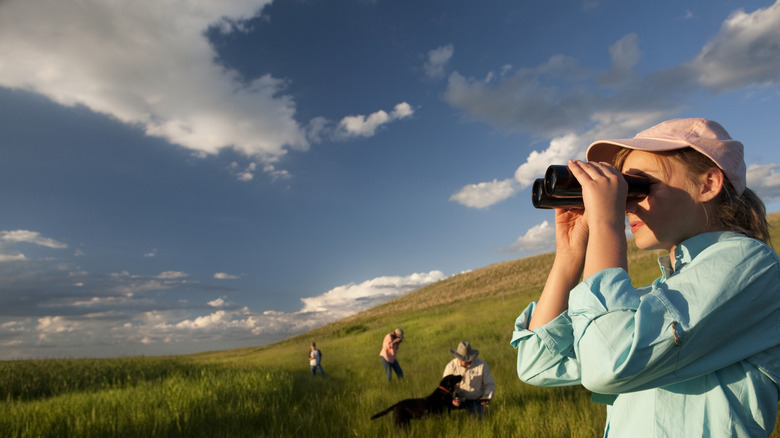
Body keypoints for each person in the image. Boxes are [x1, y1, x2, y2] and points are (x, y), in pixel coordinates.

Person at [510, 118, 780, 437]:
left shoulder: (749, 264)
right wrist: (569, 256)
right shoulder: (654, 299)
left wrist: (605, 224)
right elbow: (538, 363)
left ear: (708, 184)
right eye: (623, 191)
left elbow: (609, 363)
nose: (626, 205)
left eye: (637, 187)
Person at [443, 341, 495, 418]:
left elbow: (489, 384)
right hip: (456, 399)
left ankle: (482, 411)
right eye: (462, 359)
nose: (465, 362)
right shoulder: (450, 367)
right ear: (458, 357)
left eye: (467, 360)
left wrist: (487, 396)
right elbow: (444, 388)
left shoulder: (481, 365)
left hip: (474, 400)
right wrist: (451, 400)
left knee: (478, 418)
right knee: (443, 413)